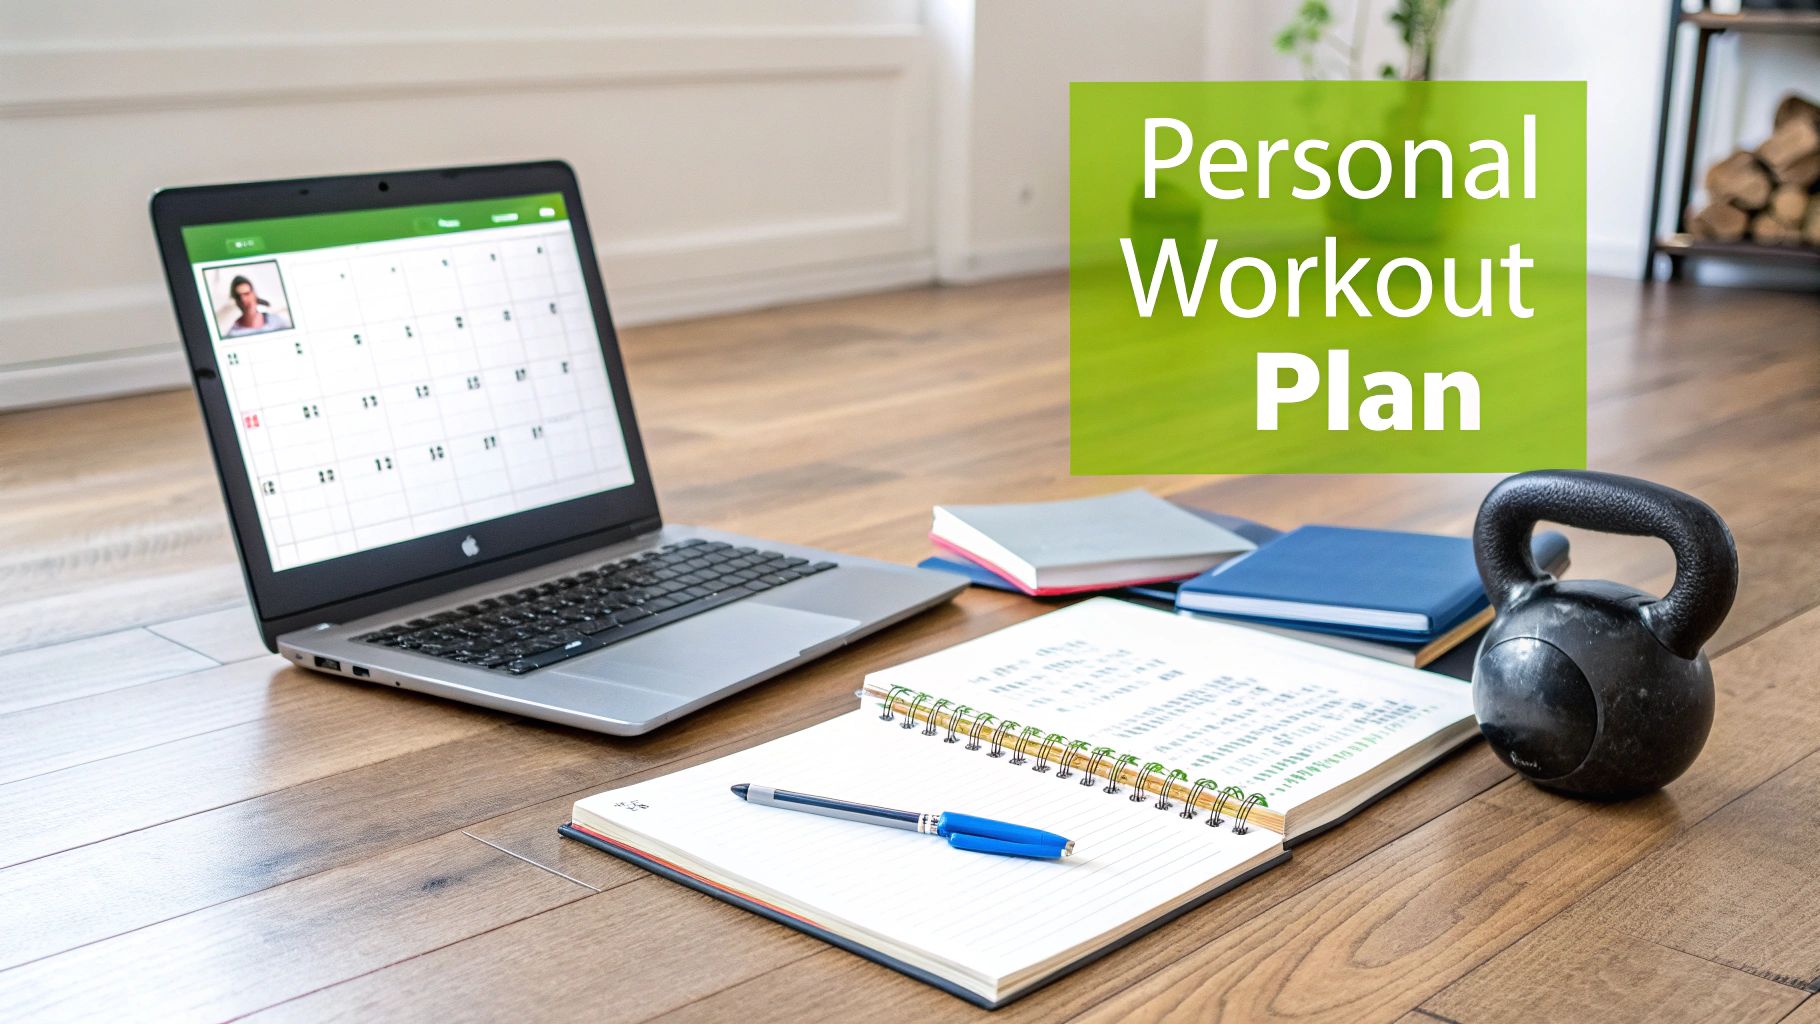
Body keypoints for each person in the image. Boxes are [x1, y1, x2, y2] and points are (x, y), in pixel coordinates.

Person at [223, 274, 291, 336]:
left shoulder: (276, 321)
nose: (243, 299)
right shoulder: (233, 333)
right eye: (238, 296)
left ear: (254, 294)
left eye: (246, 294)